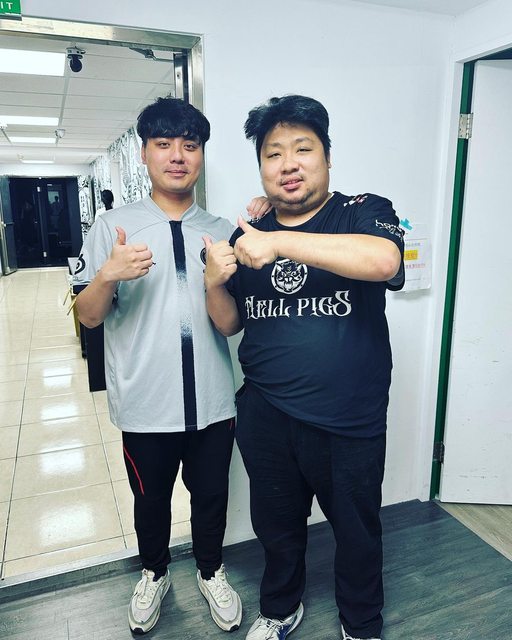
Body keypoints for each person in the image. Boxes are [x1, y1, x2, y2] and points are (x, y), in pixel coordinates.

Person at [204, 95, 405, 640]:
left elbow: (384, 261)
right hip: (267, 414)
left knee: (356, 531)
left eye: (302, 149)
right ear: (261, 168)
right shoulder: (246, 234)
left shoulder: (362, 210)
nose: (288, 164)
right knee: (276, 527)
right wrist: (213, 281)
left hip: (348, 418)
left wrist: (277, 241)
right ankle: (280, 607)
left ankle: (360, 623)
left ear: (328, 157)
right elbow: (229, 323)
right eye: (273, 154)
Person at [73, 97, 243, 635]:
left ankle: (211, 571)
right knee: (151, 501)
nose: (177, 156)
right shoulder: (113, 227)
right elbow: (88, 316)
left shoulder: (220, 230)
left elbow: (230, 325)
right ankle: (154, 573)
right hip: (146, 402)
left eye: (189, 145)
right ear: (144, 153)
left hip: (213, 401)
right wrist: (108, 275)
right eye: (163, 144)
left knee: (212, 497)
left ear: (201, 155)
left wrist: (216, 281)